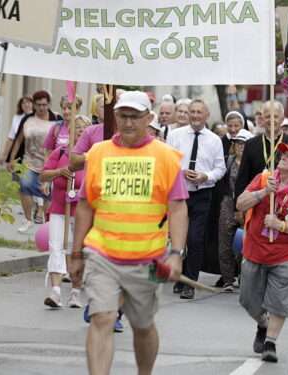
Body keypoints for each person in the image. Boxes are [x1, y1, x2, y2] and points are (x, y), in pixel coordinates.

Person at [69, 91, 187, 375]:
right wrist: (75, 254)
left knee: (142, 326)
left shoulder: (166, 156)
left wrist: (176, 255)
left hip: (147, 258)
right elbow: (85, 206)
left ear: (149, 119)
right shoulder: (98, 153)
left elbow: (178, 208)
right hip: (102, 253)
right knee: (102, 318)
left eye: (135, 117)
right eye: (122, 116)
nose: (128, 123)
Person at [236, 143, 288, 363]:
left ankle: (270, 342)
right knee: (248, 300)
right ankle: (262, 324)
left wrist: (281, 226)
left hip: (284, 254)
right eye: (284, 153)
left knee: (279, 301)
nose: (284, 157)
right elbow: (240, 203)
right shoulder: (264, 179)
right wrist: (264, 192)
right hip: (254, 250)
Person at [166, 100, 226, 299]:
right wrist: (181, 171)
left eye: (199, 112)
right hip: (179, 193)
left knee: (195, 238)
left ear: (207, 115)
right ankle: (181, 275)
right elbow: (167, 162)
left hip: (202, 193)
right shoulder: (175, 136)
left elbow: (220, 168)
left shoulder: (214, 140)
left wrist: (206, 176)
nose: (195, 115)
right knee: (179, 239)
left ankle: (190, 282)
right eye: (192, 111)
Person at [39, 115, 90, 309]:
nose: (79, 131)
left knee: (77, 251)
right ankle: (56, 291)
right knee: (56, 247)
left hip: (82, 211)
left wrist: (81, 192)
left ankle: (76, 293)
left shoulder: (91, 156)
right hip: (60, 208)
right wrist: (60, 172)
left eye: (84, 128)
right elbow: (44, 174)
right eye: (76, 128)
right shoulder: (61, 153)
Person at [234, 101, 288, 200]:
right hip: (256, 200)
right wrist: (238, 209)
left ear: (282, 119)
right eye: (267, 116)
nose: (271, 120)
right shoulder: (250, 144)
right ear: (262, 118)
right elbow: (242, 179)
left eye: (275, 116)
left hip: (286, 201)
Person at [9, 90, 55, 231]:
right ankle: (27, 219)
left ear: (49, 104)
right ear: (34, 105)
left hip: (48, 163)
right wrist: (12, 159)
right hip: (29, 161)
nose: (41, 108)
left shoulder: (55, 119)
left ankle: (47, 223)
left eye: (44, 105)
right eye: (38, 105)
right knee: (24, 185)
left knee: (46, 193)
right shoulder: (27, 119)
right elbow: (18, 140)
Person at [217, 129, 253, 292]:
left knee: (244, 243)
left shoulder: (253, 164)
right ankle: (227, 279)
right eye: (238, 143)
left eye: (245, 144)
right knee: (225, 241)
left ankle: (243, 276)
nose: (241, 146)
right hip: (228, 203)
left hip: (247, 205)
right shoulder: (228, 161)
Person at [0, 96, 33, 166]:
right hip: (18, 151)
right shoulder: (16, 118)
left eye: (28, 102)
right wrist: (4, 155)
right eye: (23, 103)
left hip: (31, 152)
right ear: (21, 106)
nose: (26, 104)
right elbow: (11, 138)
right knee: (17, 174)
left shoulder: (36, 117)